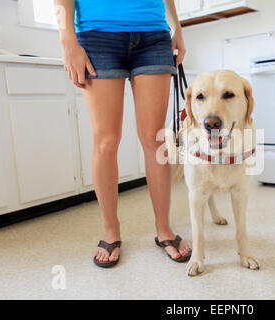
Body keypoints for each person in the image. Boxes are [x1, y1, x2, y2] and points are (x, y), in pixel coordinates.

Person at [55, 0, 191, 268]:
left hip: (154, 34)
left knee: (156, 139)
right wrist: (67, 39)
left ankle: (164, 229)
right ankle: (111, 231)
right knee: (106, 142)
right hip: (97, 35)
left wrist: (177, 28)